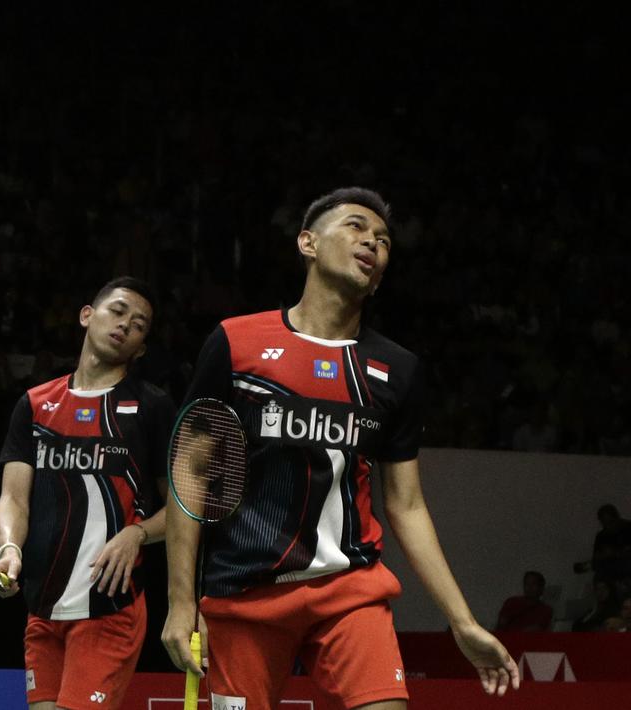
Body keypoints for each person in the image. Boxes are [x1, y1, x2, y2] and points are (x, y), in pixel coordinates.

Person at [161, 188, 518, 709]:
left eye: (383, 241)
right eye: (355, 227)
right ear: (307, 242)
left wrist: (461, 621)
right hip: (244, 590)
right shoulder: (236, 344)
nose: (372, 242)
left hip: (350, 591)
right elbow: (189, 473)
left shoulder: (397, 370)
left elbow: (406, 504)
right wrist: (180, 601)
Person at [0, 276, 174, 710]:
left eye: (140, 324)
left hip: (109, 610)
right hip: (44, 608)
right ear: (87, 316)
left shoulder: (150, 407)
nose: (126, 324)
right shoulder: (35, 405)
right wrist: (10, 548)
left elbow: (185, 509)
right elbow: (14, 497)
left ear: (141, 348)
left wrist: (138, 534)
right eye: (118, 310)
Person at [591, 504, 631, 591]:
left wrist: (615, 553)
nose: (608, 527)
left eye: (610, 522)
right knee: (599, 577)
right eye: (604, 524)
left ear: (617, 518)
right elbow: (595, 561)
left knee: (629, 569)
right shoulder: (602, 536)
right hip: (611, 570)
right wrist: (601, 556)